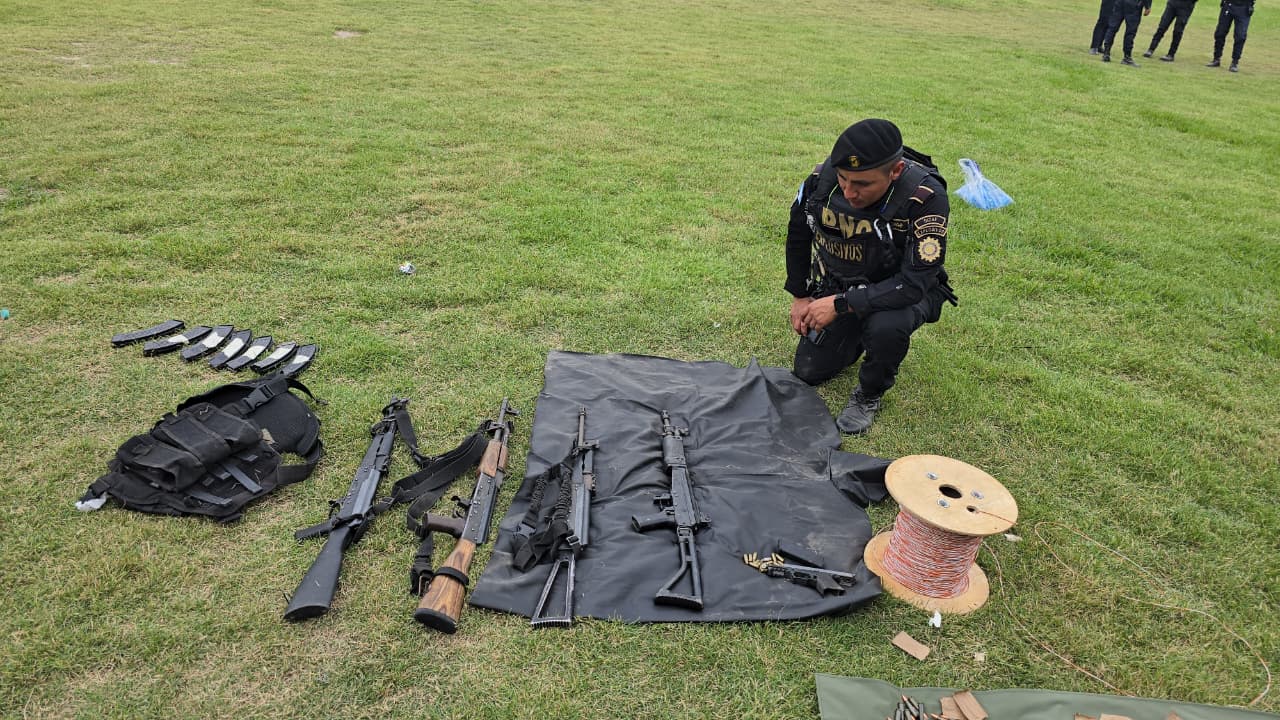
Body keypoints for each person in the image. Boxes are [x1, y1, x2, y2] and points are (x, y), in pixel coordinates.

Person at [785, 119, 954, 434]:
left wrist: (838, 305)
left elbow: (914, 284)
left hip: (902, 292)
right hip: (842, 282)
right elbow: (798, 232)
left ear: (895, 172)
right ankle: (855, 334)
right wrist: (800, 294)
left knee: (887, 327)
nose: (849, 192)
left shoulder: (925, 197)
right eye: (844, 178)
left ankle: (870, 392)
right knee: (808, 370)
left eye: (862, 184)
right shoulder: (821, 179)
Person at [1102, 0, 1154, 65]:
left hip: (1120, 2)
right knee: (1130, 31)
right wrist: (1148, 6)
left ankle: (1106, 53)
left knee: (1113, 27)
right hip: (1134, 5)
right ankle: (1127, 57)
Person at [1207, 0, 1255, 72]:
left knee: (1240, 36)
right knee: (1220, 33)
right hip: (1228, 5)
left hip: (1244, 7)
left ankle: (1234, 62)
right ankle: (1216, 58)